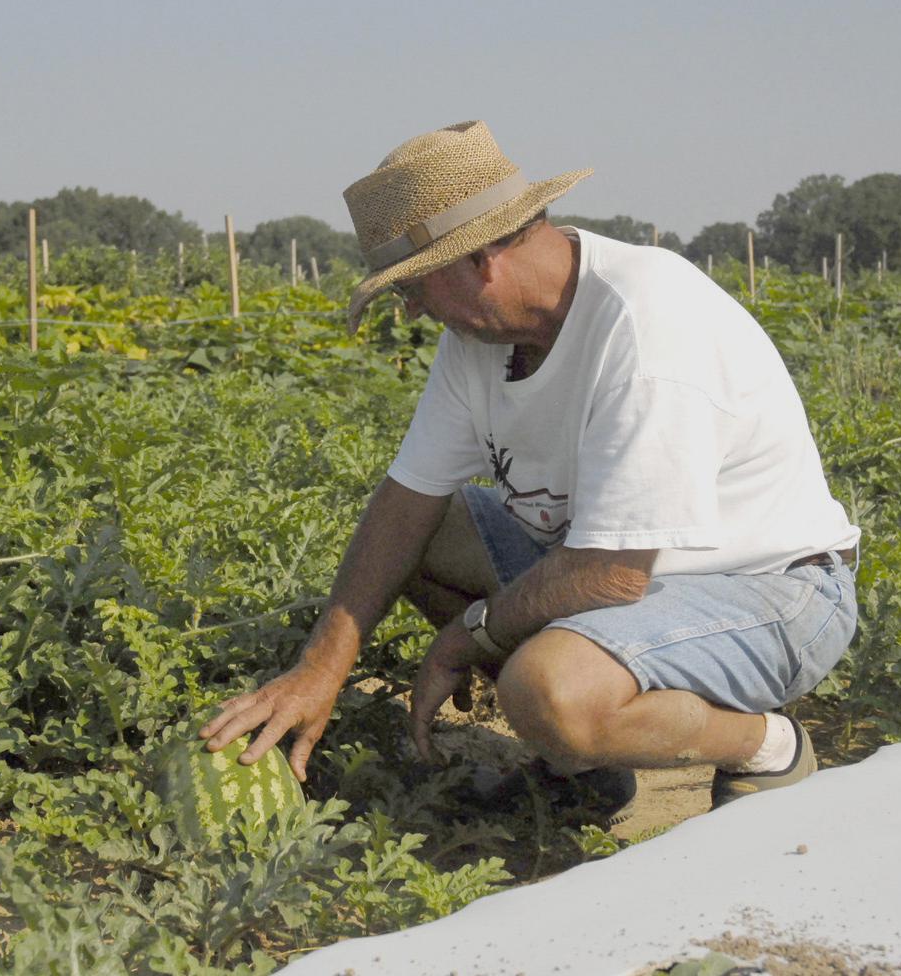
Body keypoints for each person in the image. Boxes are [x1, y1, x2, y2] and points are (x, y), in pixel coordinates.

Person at [200, 119, 859, 816]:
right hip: (614, 577)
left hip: (769, 592)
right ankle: (579, 768)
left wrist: (466, 635)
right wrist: (317, 670)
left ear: (480, 260)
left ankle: (763, 744)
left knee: (549, 688)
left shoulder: (646, 320)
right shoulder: (482, 342)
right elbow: (406, 502)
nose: (413, 309)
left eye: (412, 287)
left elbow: (611, 572)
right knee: (428, 533)